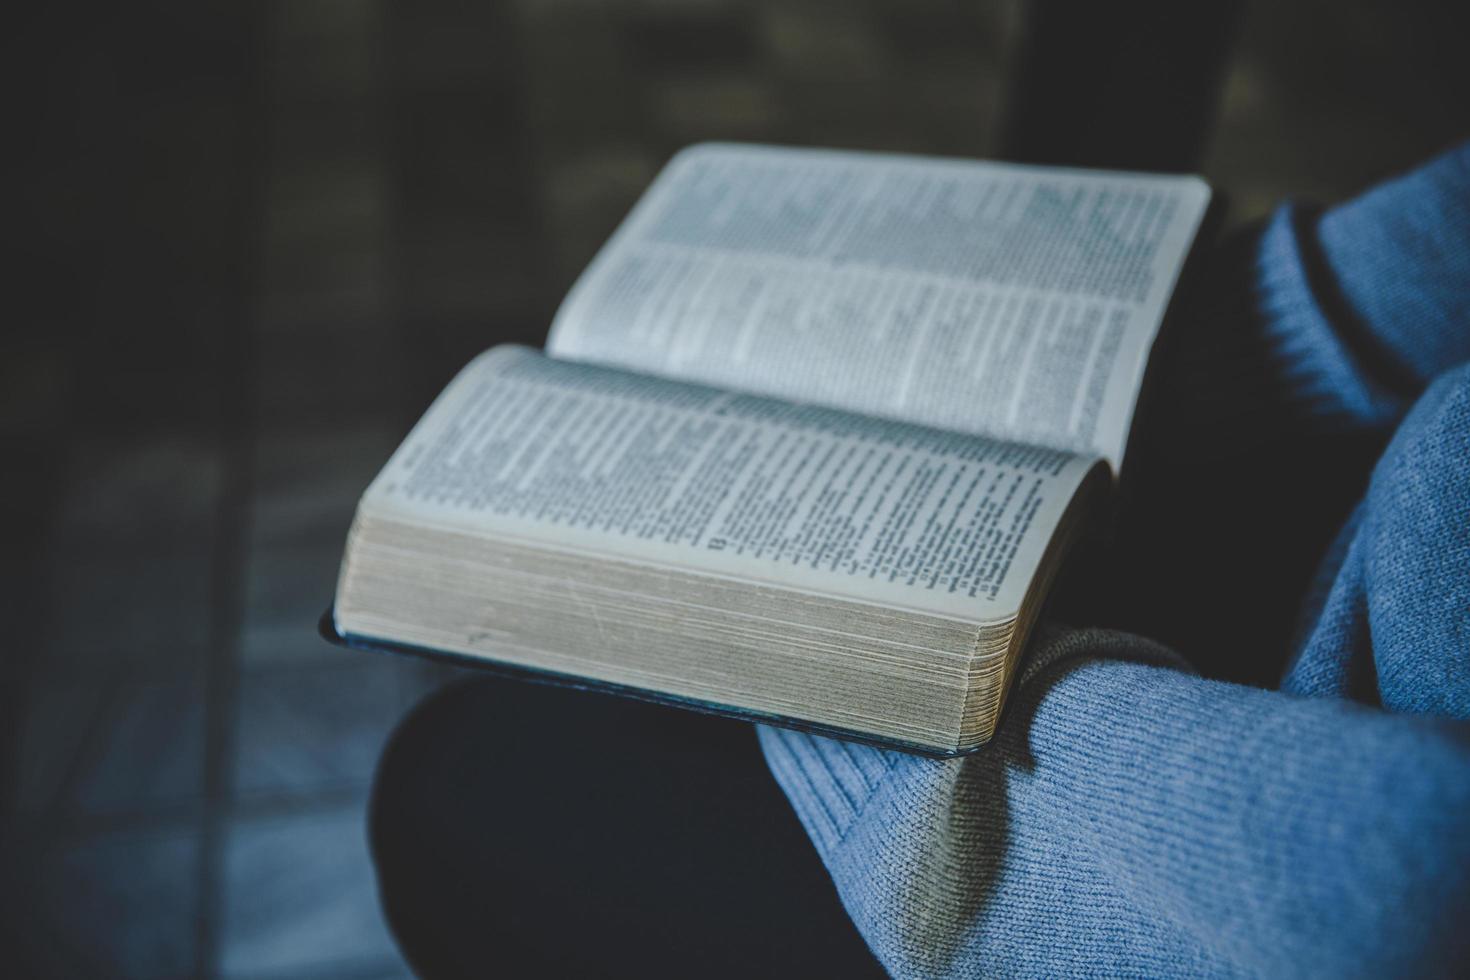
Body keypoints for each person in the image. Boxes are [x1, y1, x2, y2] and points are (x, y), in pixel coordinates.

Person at [368, 143, 1470, 978]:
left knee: (459, 781)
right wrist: (1277, 329)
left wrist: (900, 675)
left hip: (1269, 823)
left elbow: (1409, 877)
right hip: (1376, 549)